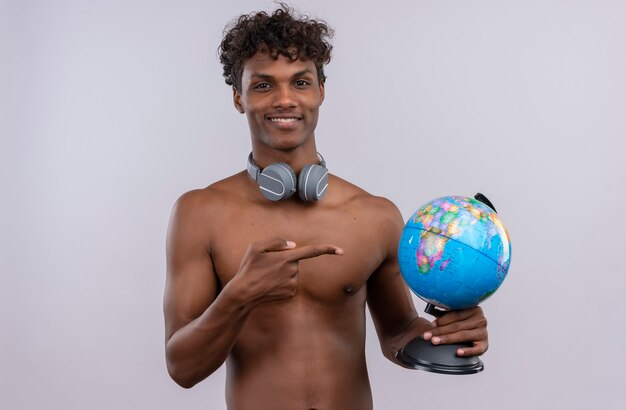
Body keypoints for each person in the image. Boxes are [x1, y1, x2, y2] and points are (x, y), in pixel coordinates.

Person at [163, 4, 489, 409]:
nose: (285, 99)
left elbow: (398, 334)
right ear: (238, 97)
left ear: (320, 90)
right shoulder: (199, 214)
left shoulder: (375, 215)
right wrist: (239, 296)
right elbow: (182, 369)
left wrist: (449, 335)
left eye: (300, 82)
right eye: (263, 86)